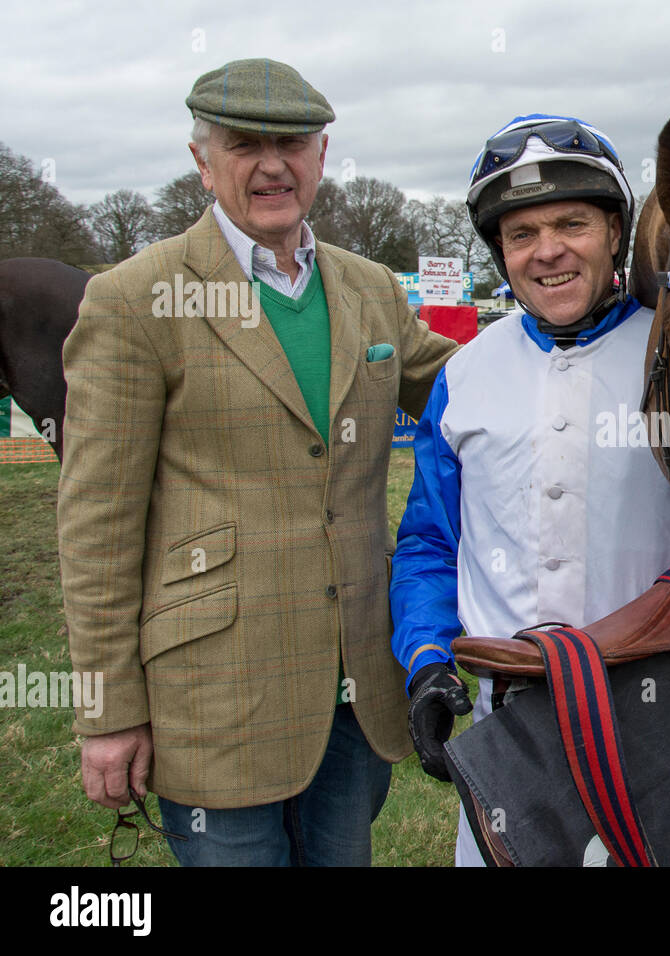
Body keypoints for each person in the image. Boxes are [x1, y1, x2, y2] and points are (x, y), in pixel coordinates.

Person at [59, 58, 459, 866]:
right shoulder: (136, 298)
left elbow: (475, 390)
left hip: (355, 693)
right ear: (202, 162)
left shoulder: (372, 288)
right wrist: (106, 712)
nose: (274, 164)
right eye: (245, 144)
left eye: (295, 143)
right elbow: (97, 527)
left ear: (320, 156)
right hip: (211, 703)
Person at [389, 115, 670, 866]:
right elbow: (429, 541)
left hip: (660, 725)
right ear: (500, 252)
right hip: (508, 733)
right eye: (521, 234)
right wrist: (426, 660)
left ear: (615, 233)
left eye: (571, 223)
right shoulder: (462, 376)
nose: (547, 250)